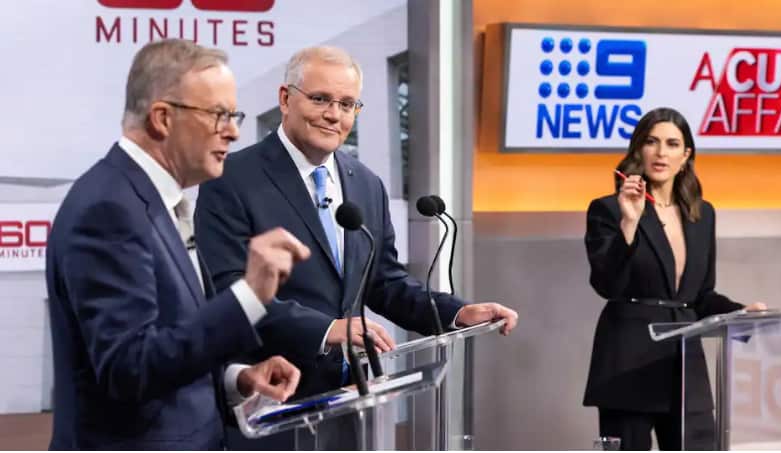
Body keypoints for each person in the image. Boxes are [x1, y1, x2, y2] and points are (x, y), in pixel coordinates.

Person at [194, 45, 519, 445]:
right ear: (284, 99)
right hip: (269, 403)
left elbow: (384, 282)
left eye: (347, 104)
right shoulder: (232, 179)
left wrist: (457, 312)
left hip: (349, 404)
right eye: (320, 99)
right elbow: (229, 294)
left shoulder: (364, 183)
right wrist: (326, 328)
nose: (334, 114)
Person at [45, 39, 312, 450]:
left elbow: (170, 336)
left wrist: (234, 378)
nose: (234, 130)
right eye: (219, 114)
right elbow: (128, 367)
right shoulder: (109, 208)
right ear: (163, 118)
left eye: (234, 114)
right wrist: (249, 295)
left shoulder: (154, 199)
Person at [582, 107, 766, 450]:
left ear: (686, 155)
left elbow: (700, 296)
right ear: (638, 150)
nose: (661, 152)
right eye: (651, 142)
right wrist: (629, 223)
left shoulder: (702, 213)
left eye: (671, 143)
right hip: (628, 363)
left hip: (685, 367)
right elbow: (606, 284)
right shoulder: (608, 209)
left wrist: (742, 314)